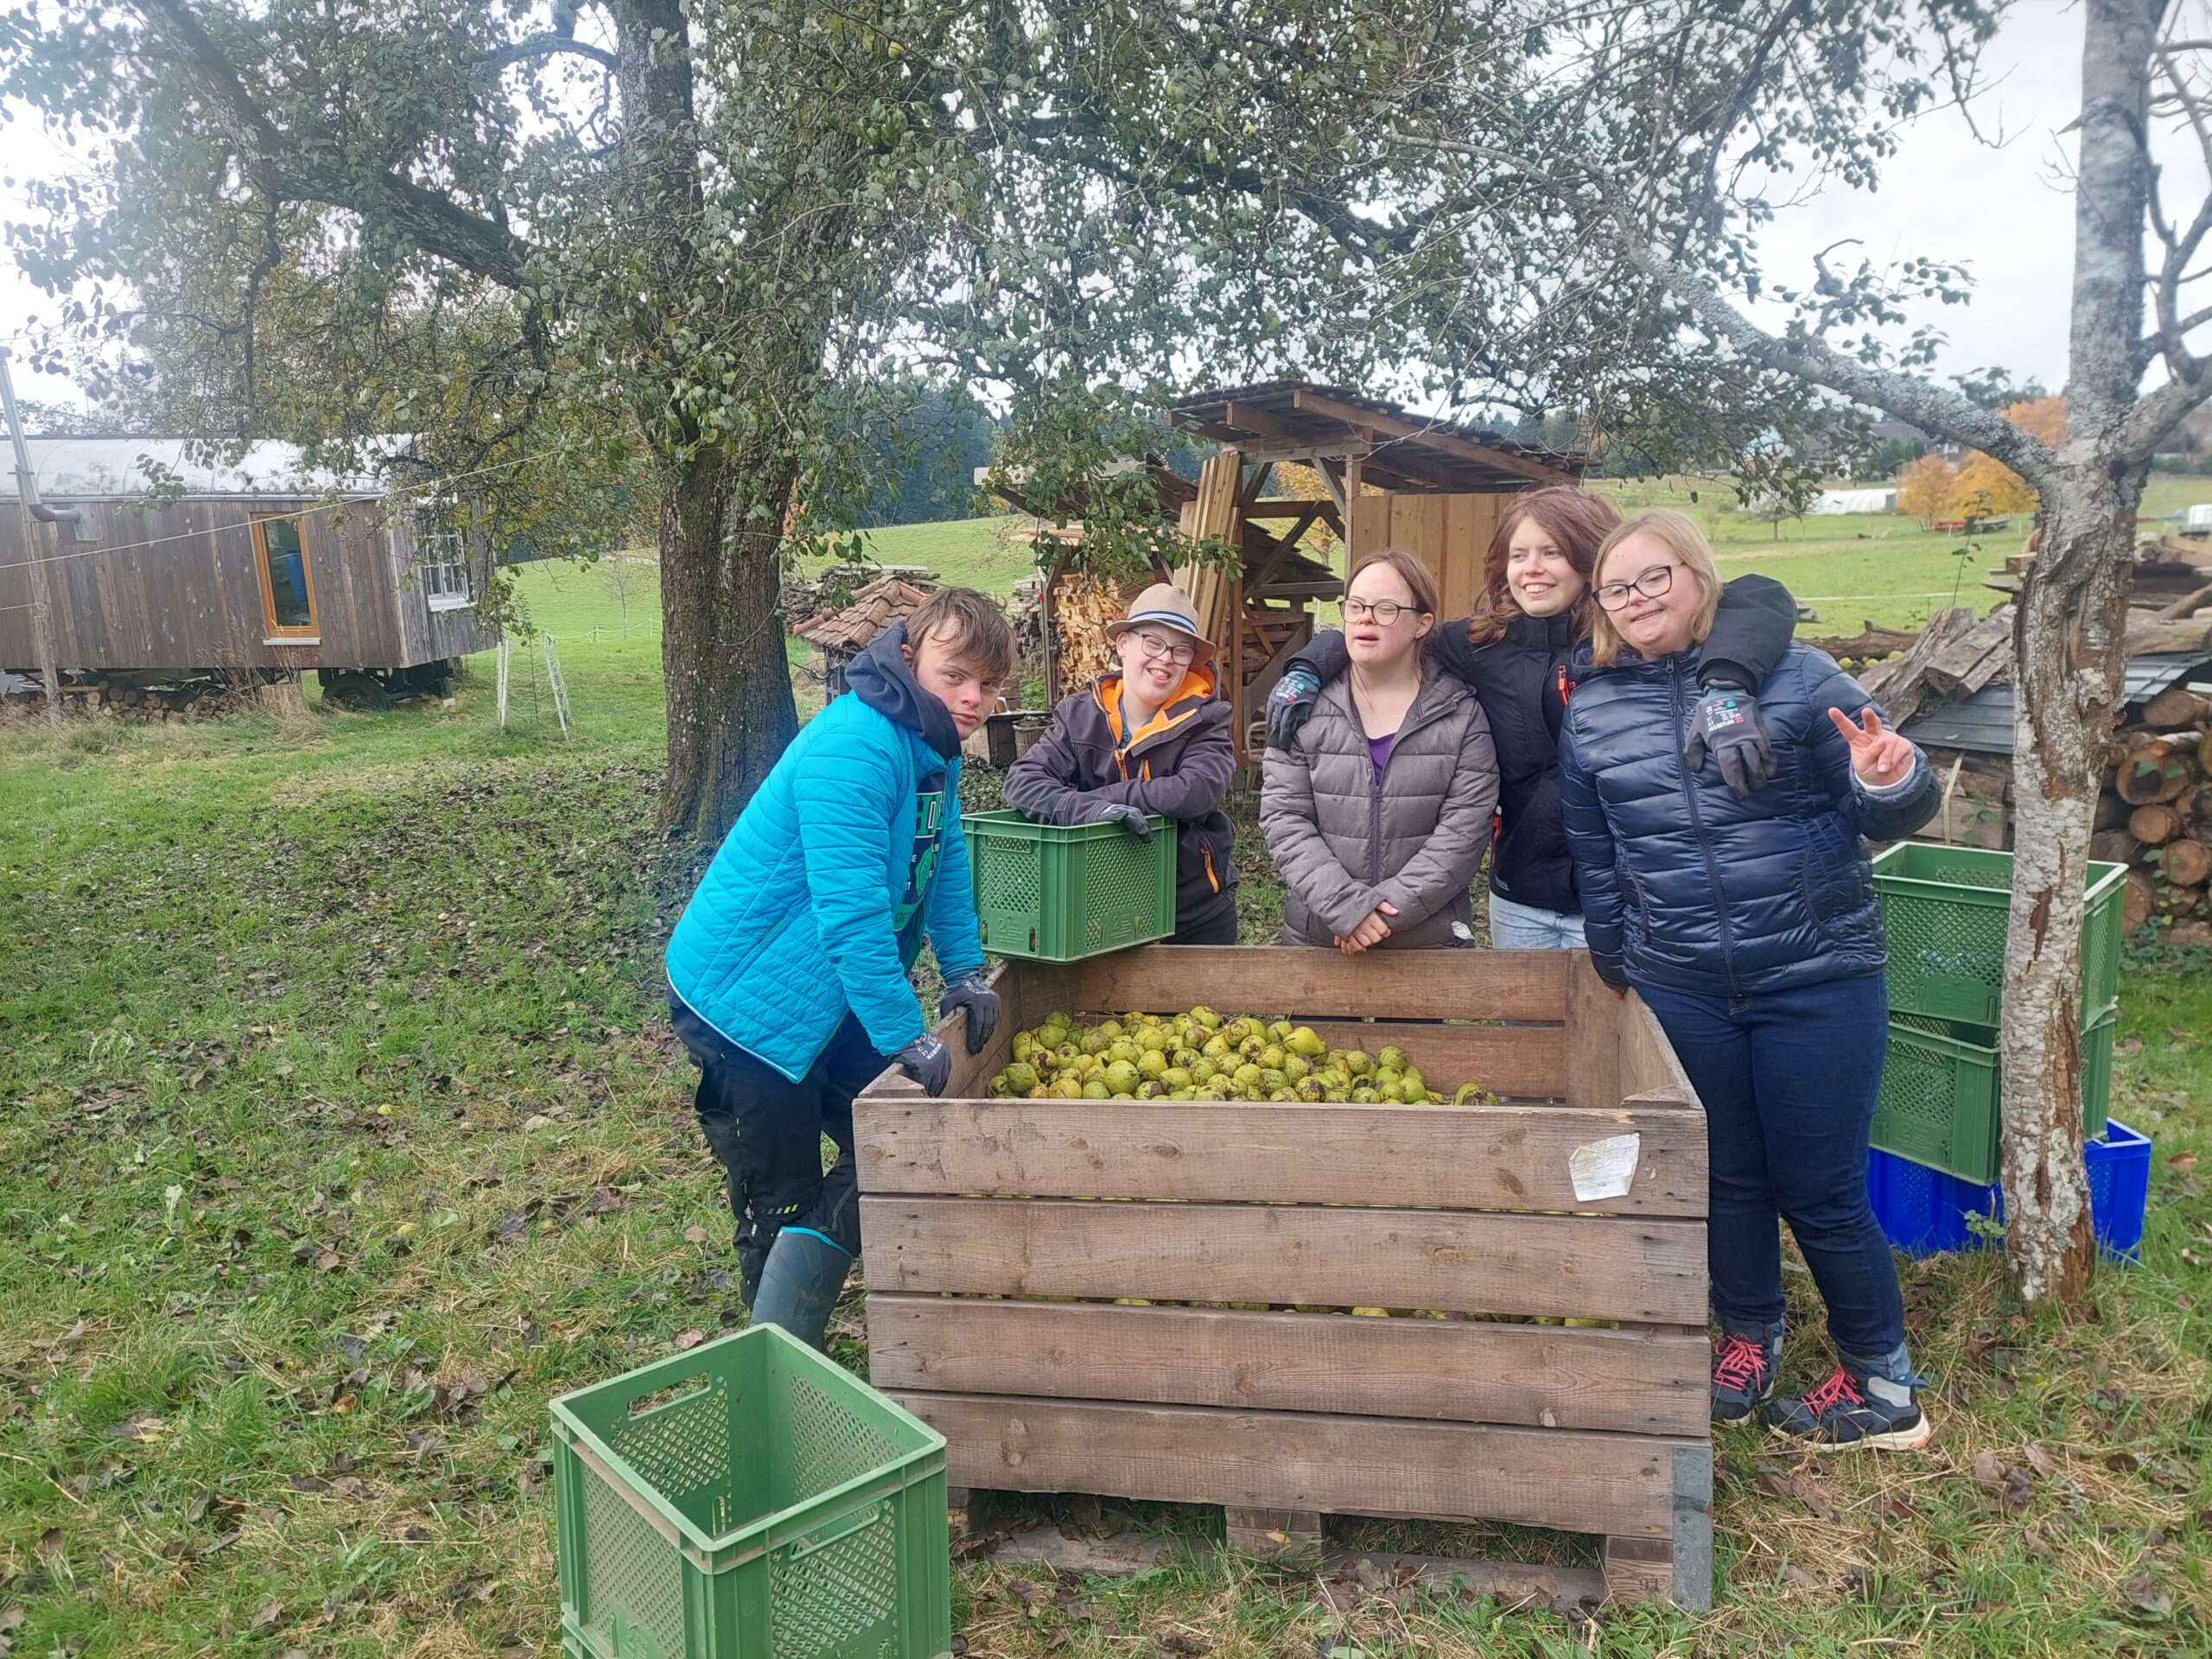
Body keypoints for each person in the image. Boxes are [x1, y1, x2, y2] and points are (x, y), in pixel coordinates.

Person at [1558, 510, 1942, 1449]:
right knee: (1725, 1177)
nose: (1639, 598)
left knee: (1819, 1188)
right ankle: (1749, 1339)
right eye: (1619, 587)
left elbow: (1889, 801)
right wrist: (1618, 956)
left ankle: (1883, 1385)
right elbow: (1595, 851)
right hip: (1682, 983)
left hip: (1816, 975)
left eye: (1656, 577)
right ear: (1601, 606)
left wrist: (1890, 779)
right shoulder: (1593, 708)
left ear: (1698, 576)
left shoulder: (1798, 675)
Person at [663, 588, 1014, 1350]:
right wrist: (902, 1037)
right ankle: (777, 1362)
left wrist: (964, 973)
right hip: (745, 1001)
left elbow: (944, 861)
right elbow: (851, 915)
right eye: (958, 676)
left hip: (825, 992)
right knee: (780, 1192)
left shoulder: (932, 749)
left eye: (989, 686)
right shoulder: (855, 747)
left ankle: (818, 1277)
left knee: (895, 1136)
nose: (974, 699)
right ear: (912, 655)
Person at [1266, 486, 1799, 948]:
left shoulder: (1628, 640)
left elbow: (1759, 596)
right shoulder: (1477, 645)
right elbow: (1382, 629)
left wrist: (1727, 683)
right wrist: (1308, 666)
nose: (1532, 568)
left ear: (1591, 558)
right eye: (1519, 555)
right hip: (1521, 897)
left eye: (1552, 552)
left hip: (1623, 898)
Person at [1261, 549, 1499, 950]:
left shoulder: (1462, 716)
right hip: (1321, 938)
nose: (1366, 618)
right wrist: (1345, 908)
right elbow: (1285, 817)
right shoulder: (1302, 708)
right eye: (1355, 606)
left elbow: (1464, 833)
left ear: (1423, 624)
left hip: (1425, 941)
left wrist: (1382, 913)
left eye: (1386, 608)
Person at [1003, 582, 1240, 943]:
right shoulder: (1080, 716)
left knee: (1199, 1003)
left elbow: (1196, 792)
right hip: (1101, 908)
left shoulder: (1207, 718)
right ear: (1123, 645)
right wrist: (1085, 811)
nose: (1165, 659)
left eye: (1180, 651)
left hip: (1193, 911)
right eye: (1154, 643)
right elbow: (1023, 781)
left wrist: (1109, 799)